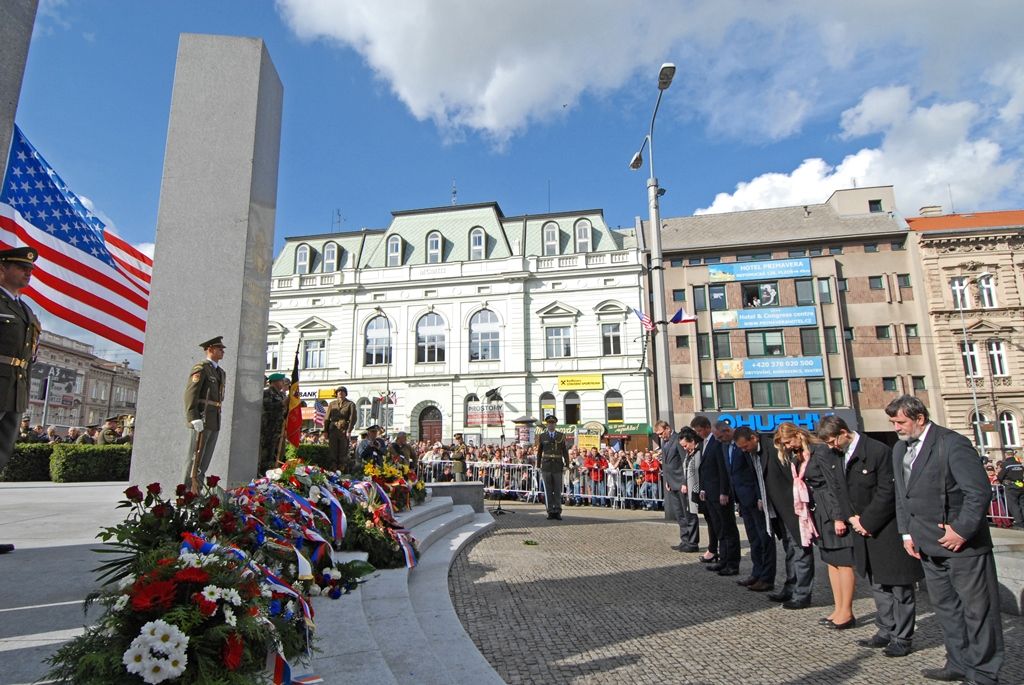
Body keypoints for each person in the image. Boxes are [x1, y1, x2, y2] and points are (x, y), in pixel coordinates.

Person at [887, 395, 1004, 684]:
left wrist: (961, 530)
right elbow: (903, 496)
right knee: (947, 609)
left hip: (963, 547)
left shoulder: (952, 443)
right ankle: (958, 663)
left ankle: (984, 673)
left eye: (900, 422)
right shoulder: (899, 449)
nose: (896, 428)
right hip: (926, 545)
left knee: (978, 612)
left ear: (919, 418)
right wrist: (906, 532)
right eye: (892, 422)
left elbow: (978, 492)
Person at [817, 415, 923, 657]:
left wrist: (867, 522)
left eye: (833, 441)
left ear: (844, 433)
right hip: (861, 527)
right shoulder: (838, 455)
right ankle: (885, 629)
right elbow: (839, 489)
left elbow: (887, 490)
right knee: (878, 584)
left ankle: (902, 637)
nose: (831, 447)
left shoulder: (877, 451)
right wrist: (851, 518)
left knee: (898, 586)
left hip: (886, 528)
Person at [775, 422, 856, 627]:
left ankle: (846, 612)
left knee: (842, 561)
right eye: (784, 444)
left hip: (830, 509)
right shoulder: (800, 455)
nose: (787, 446)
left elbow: (833, 484)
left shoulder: (820, 451)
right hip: (817, 511)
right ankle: (838, 609)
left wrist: (838, 517)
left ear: (798, 434)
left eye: (788, 442)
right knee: (831, 561)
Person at [0, 246, 41, 554]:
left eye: (30, 270)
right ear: (2, 269)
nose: (28, 273)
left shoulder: (25, 310)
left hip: (14, 392)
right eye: (21, 268)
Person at [730, 427, 777, 593]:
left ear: (753, 438)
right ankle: (757, 573)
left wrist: (759, 497)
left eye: (745, 446)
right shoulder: (744, 449)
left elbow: (757, 475)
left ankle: (766, 577)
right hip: (745, 500)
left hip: (757, 500)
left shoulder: (764, 448)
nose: (744, 450)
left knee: (765, 539)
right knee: (754, 539)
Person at [692, 416, 740, 576]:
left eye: (699, 430)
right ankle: (723, 560)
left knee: (728, 528)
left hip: (720, 493)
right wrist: (703, 489)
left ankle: (732, 563)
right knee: (719, 528)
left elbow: (722, 468)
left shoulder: (717, 442)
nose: (698, 434)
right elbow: (705, 469)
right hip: (710, 493)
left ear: (707, 428)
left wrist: (724, 491)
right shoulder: (704, 443)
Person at [183, 336, 227, 493]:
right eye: (219, 349)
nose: (222, 351)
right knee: (194, 457)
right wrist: (193, 417)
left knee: (205, 459)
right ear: (210, 349)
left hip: (214, 419)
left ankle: (197, 490)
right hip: (202, 417)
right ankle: (187, 492)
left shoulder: (220, 372)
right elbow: (191, 394)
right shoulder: (201, 368)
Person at [655, 421, 699, 552]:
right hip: (672, 483)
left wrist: (685, 482)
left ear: (668, 429)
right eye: (658, 434)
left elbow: (686, 461)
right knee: (680, 514)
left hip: (681, 483)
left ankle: (693, 542)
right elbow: (667, 463)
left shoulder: (678, 439)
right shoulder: (665, 442)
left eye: (661, 433)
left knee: (688, 513)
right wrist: (667, 481)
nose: (660, 436)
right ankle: (685, 540)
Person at [535, 415, 569, 520]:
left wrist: (567, 464)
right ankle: (550, 511)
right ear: (547, 424)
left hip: (557, 466)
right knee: (548, 490)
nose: (551, 425)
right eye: (549, 423)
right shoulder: (542, 436)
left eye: (552, 423)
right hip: (546, 466)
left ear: (555, 424)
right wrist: (538, 465)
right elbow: (539, 452)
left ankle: (557, 511)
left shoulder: (561, 436)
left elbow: (565, 451)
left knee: (557, 490)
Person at [258, 373, 289, 474]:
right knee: (267, 454)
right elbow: (268, 406)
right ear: (275, 381)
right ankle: (264, 474)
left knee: (277, 454)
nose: (283, 383)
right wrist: (282, 403)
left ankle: (274, 474)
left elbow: (284, 411)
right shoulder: (267, 393)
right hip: (269, 429)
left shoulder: (281, 395)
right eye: (281, 380)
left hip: (279, 429)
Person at [325, 386, 357, 473]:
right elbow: (327, 418)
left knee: (343, 450)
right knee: (332, 450)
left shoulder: (350, 404)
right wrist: (325, 431)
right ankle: (333, 468)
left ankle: (342, 469)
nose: (340, 393)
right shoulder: (332, 404)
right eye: (338, 391)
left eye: (342, 391)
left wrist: (349, 430)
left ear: (345, 394)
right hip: (333, 429)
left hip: (343, 430)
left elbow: (353, 418)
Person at [996, 452, 1023, 529]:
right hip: (1020, 485)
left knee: (1013, 505)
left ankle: (1019, 522)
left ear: (1006, 455)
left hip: (1011, 486)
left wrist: (1002, 482)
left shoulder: (1006, 464)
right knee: (1022, 504)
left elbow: (1000, 476)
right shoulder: (1019, 464)